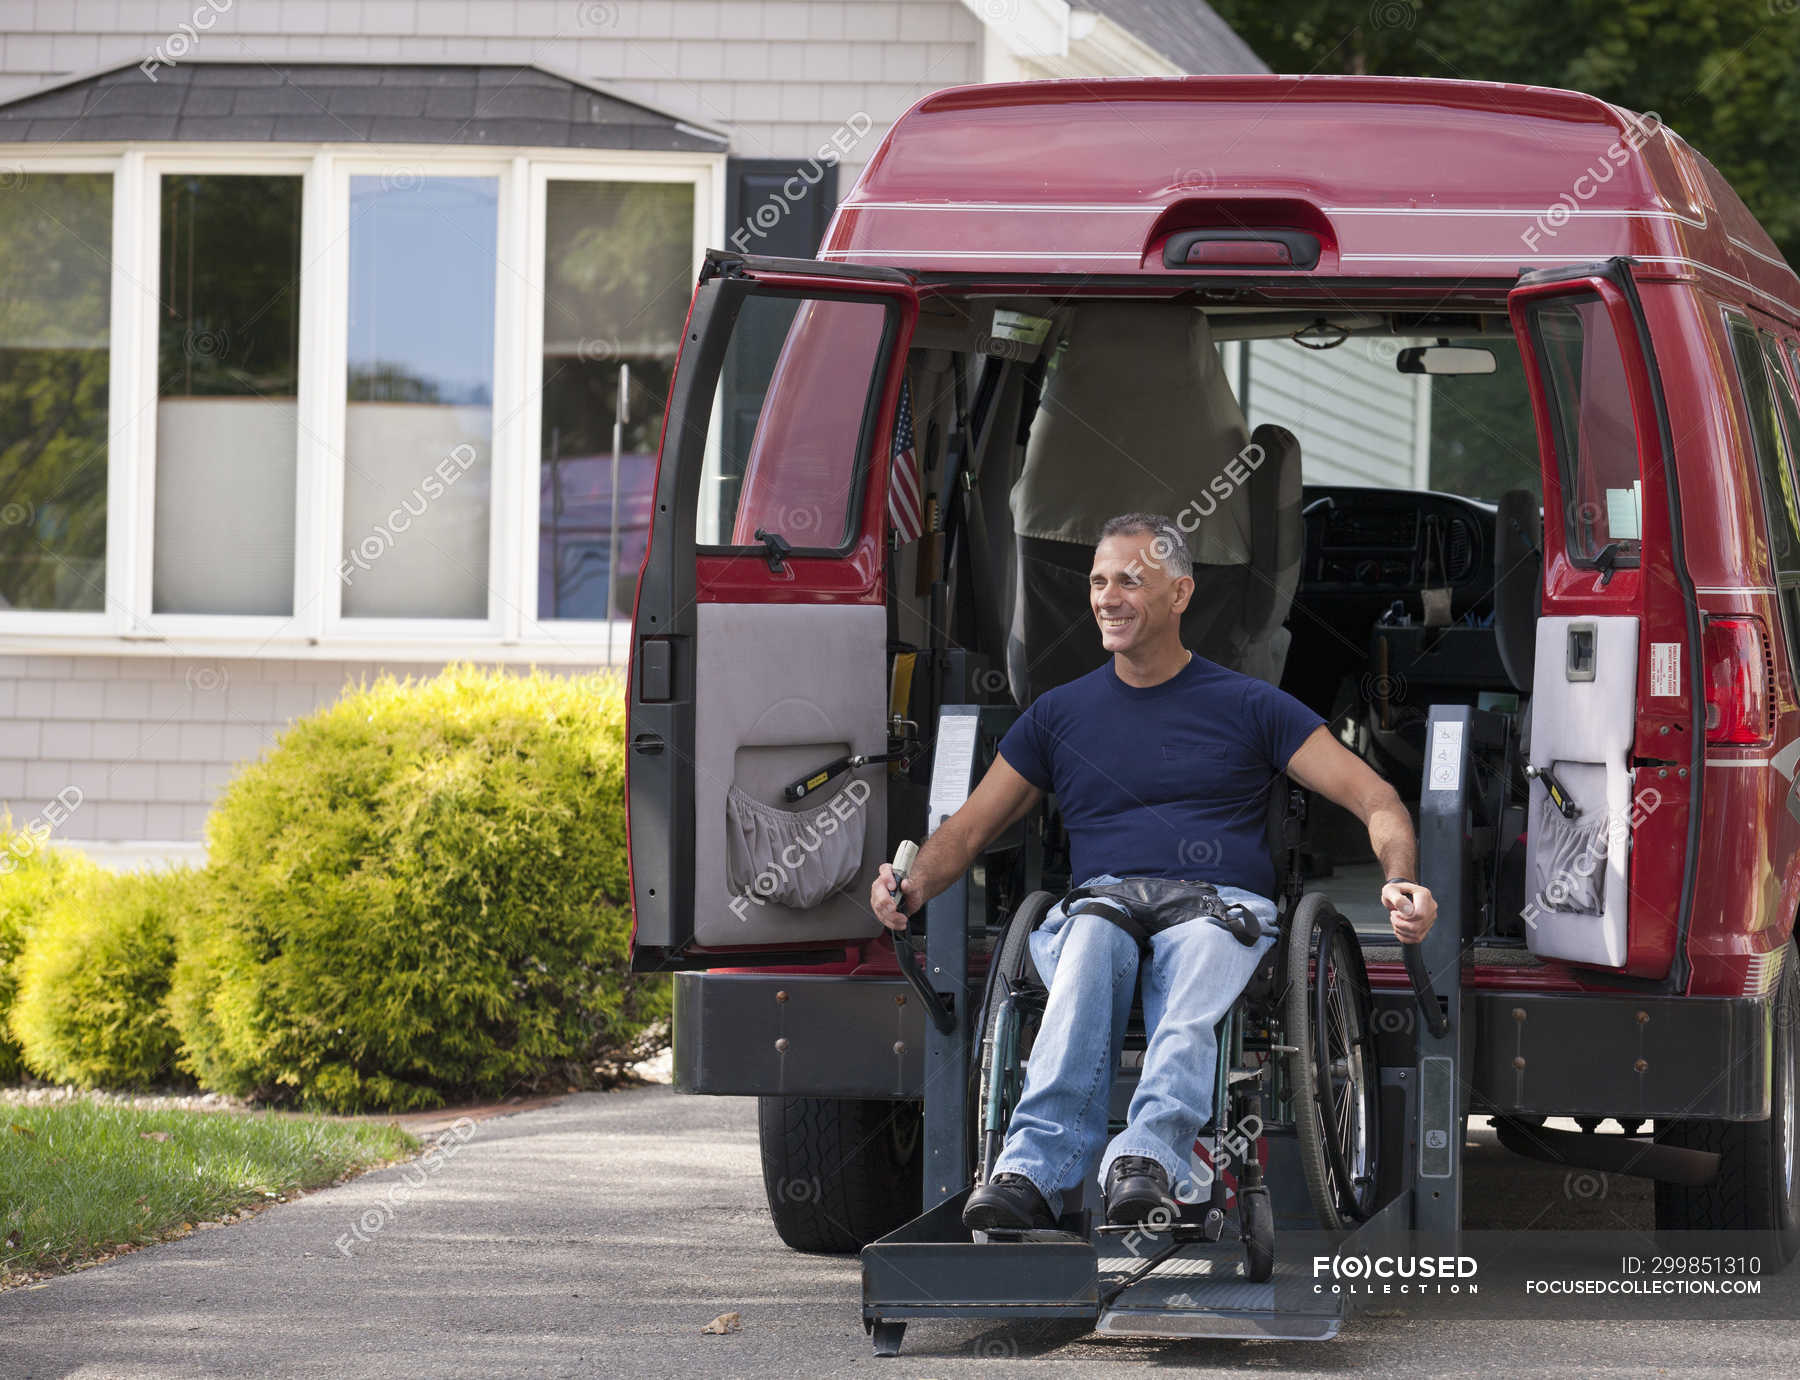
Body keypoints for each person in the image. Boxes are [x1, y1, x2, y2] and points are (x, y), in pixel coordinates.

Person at [869, 512, 1438, 1231]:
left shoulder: (1252, 705)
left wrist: (1400, 878)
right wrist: (913, 885)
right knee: (1092, 937)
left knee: (1199, 947)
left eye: (1130, 581)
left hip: (1216, 906)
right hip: (1103, 903)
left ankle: (1147, 1160)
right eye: (1098, 581)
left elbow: (1376, 798)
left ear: (1180, 594)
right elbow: (969, 828)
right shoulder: (1058, 715)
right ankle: (1030, 1170)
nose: (1108, 597)